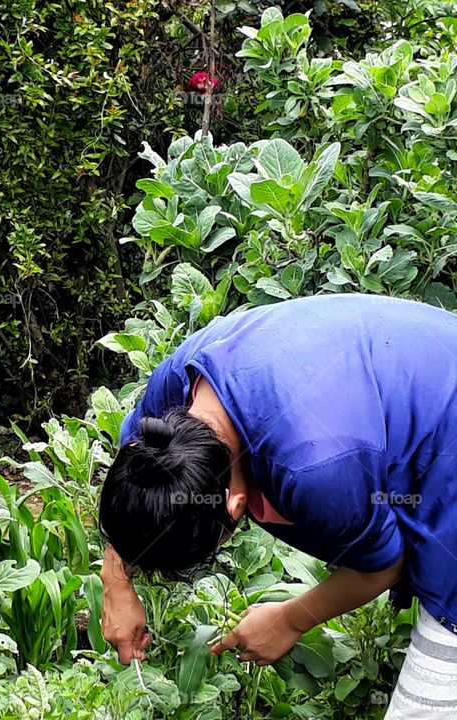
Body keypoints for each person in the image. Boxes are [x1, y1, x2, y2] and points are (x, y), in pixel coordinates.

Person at [99, 293, 457, 718]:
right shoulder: (172, 400)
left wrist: (290, 619)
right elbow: (138, 475)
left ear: (235, 507)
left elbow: (382, 563)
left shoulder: (313, 467)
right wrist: (115, 579)